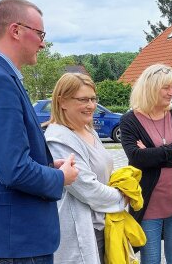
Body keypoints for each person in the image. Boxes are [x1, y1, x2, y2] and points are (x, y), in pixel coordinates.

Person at [0, 0, 78, 263]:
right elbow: (13, 169)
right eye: (40, 33)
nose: (43, 43)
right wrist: (60, 178)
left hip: (11, 236)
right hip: (18, 238)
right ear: (16, 31)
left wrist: (48, 165)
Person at [120, 64, 172, 264]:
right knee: (151, 260)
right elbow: (137, 158)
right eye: (167, 88)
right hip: (148, 206)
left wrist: (153, 154)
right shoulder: (130, 120)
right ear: (151, 88)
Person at [44, 73, 126, 264]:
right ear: (62, 102)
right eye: (83, 99)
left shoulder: (88, 130)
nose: (91, 105)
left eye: (93, 99)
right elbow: (87, 188)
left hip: (103, 224)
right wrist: (122, 196)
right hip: (82, 230)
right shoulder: (59, 139)